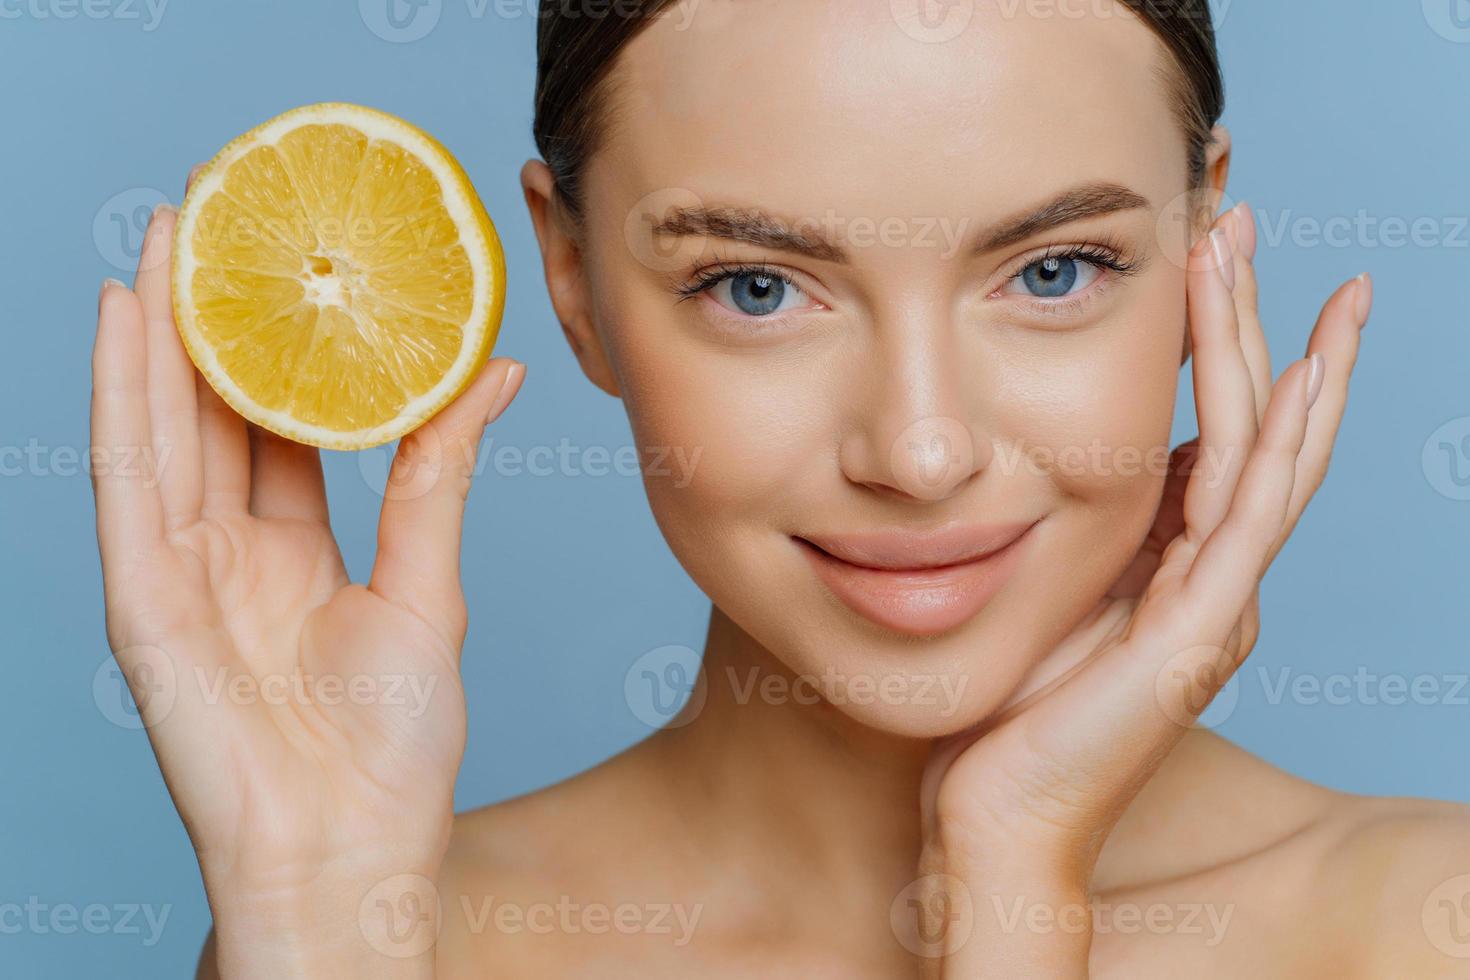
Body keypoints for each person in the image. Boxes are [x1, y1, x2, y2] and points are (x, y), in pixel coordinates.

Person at [90, 1, 1470, 976]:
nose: (919, 453)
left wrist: (1014, 874)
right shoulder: (378, 936)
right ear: (570, 282)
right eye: (756, 288)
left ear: (1202, 241)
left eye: (1052, 272)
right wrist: (310, 917)